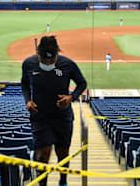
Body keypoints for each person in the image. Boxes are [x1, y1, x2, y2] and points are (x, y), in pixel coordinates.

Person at [21, 36, 87, 186]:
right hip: (40, 117)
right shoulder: (28, 64)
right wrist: (28, 101)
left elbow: (82, 83)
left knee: (63, 154)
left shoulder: (68, 65)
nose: (49, 64)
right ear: (38, 54)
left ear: (57, 54)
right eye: (45, 61)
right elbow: (24, 84)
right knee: (41, 157)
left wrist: (71, 97)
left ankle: (63, 181)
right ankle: (42, 184)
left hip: (62, 117)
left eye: (52, 60)